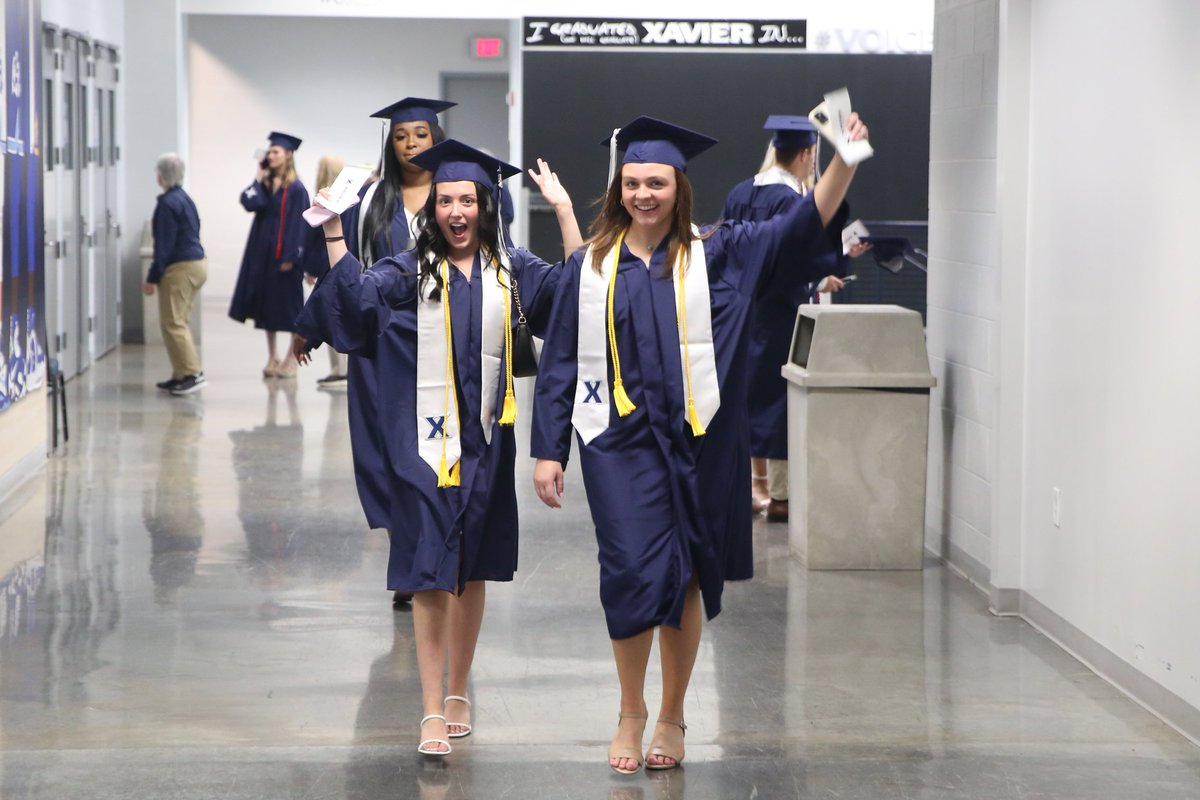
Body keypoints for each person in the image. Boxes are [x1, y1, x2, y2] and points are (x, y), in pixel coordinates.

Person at [531, 113, 869, 773]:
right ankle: (630, 709)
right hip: (618, 444)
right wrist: (550, 447)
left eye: (655, 182)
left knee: (685, 574)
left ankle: (671, 713)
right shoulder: (592, 266)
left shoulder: (720, 250)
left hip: (700, 443)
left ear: (678, 186)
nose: (642, 195)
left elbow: (802, 226)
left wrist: (845, 159)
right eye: (632, 183)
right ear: (618, 187)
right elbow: (562, 361)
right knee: (629, 572)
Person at [293, 139, 581, 757]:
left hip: (487, 442)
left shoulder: (514, 269)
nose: (455, 210)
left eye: (467, 200)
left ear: (485, 205)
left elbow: (577, 294)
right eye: (445, 199)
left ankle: (458, 688)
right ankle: (428, 708)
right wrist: (335, 233)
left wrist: (562, 210)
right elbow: (355, 302)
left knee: (472, 567)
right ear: (434, 210)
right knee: (428, 569)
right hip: (422, 448)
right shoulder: (408, 270)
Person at [721, 116, 865, 522]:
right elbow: (790, 257)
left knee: (744, 396)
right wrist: (822, 271)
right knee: (779, 399)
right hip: (779, 313)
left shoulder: (738, 192)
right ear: (806, 154)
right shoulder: (790, 202)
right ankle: (782, 495)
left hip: (739, 310)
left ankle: (750, 487)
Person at [229, 131, 310, 378]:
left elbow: (300, 225)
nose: (271, 155)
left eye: (276, 152)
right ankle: (272, 356)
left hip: (286, 260)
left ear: (288, 155)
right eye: (270, 152)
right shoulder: (265, 185)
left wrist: (292, 257)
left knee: (291, 310)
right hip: (263, 257)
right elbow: (249, 202)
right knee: (268, 310)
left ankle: (291, 359)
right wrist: (258, 176)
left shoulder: (297, 189)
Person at [143, 153, 208, 396]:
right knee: (179, 321)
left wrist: (152, 277)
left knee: (173, 323)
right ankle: (180, 373)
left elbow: (164, 245)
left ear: (161, 177)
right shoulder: (184, 198)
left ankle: (192, 373)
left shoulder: (167, 204)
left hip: (180, 268)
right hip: (197, 264)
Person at [303, 154, 349, 389]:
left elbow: (314, 237)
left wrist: (310, 268)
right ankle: (340, 369)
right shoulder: (350, 198)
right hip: (345, 264)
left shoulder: (324, 199)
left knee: (333, 316)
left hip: (328, 265)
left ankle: (341, 371)